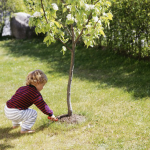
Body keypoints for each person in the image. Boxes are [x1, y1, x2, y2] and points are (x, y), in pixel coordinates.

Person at [4, 69, 58, 134]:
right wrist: (50, 114)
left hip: (7, 109)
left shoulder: (22, 88)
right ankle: (25, 129)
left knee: (21, 107)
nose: (43, 87)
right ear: (37, 83)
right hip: (14, 113)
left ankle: (16, 125)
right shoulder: (34, 93)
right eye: (43, 85)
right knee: (33, 113)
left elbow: (15, 99)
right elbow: (42, 105)